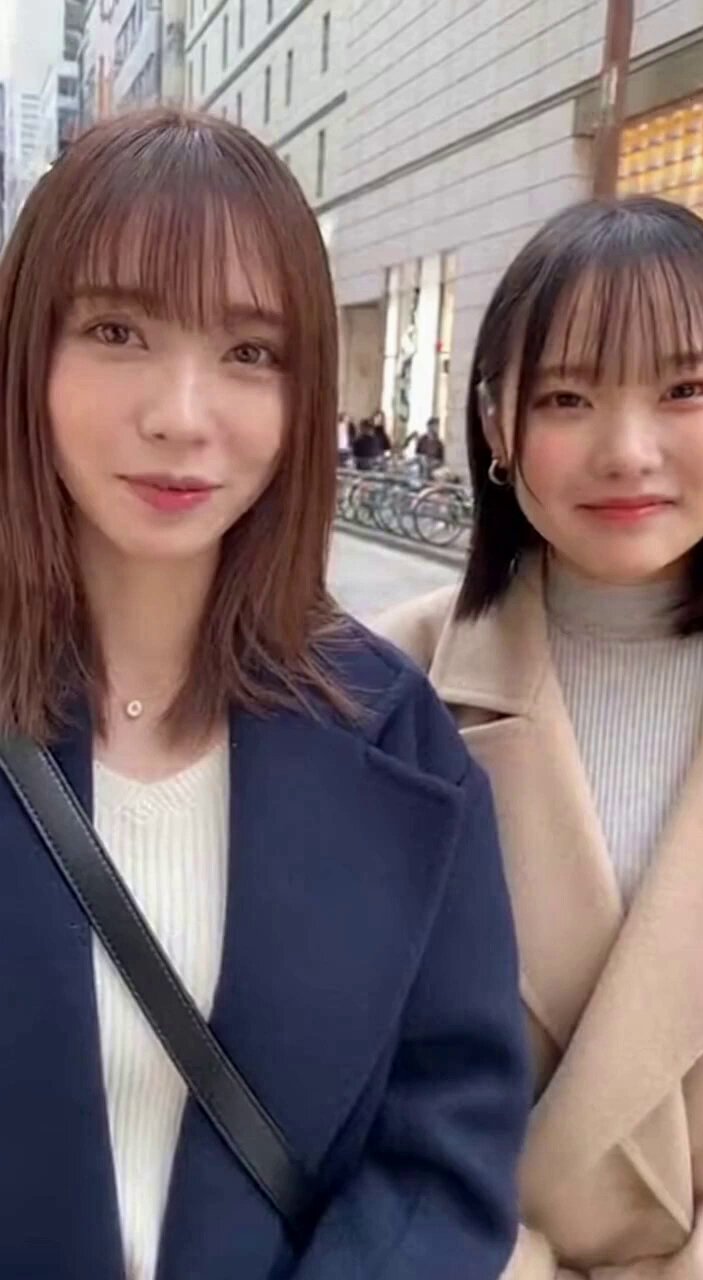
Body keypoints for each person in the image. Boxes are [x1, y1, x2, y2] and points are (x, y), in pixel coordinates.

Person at [0, 108, 529, 1280]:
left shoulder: (394, 735)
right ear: (28, 351)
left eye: (249, 352)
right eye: (117, 330)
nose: (180, 415)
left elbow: (446, 1143)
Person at [376, 195, 703, 1279]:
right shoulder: (384, 692)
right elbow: (334, 1071)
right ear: (495, 425)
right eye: (567, 396)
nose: (627, 450)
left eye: (686, 390)